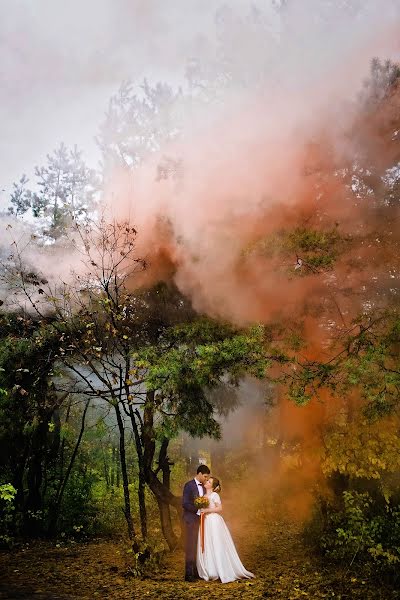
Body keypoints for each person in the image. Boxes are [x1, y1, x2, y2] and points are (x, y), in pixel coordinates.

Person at [196, 476, 255, 583]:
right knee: (208, 543)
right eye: (207, 480)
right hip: (205, 522)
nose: (206, 482)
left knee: (216, 543)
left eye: (209, 481)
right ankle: (210, 570)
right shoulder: (203, 496)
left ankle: (221, 569)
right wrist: (201, 511)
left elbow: (220, 508)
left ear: (213, 487)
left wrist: (207, 510)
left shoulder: (214, 495)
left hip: (214, 521)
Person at [182, 464, 211, 581]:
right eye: (205, 476)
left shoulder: (205, 487)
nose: (206, 479)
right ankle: (188, 574)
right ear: (199, 474)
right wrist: (197, 509)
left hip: (202, 522)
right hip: (191, 520)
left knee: (199, 547)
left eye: (207, 477)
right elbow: (185, 503)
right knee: (191, 547)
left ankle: (197, 572)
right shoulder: (188, 486)